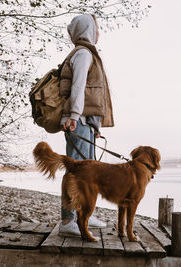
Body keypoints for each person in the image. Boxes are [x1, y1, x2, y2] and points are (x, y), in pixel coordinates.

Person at [58, 14, 114, 236]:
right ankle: (68, 221)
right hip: (76, 121)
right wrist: (73, 115)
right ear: (88, 30)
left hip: (84, 122)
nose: (99, 32)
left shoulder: (86, 53)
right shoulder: (82, 54)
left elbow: (90, 94)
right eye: (96, 28)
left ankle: (84, 215)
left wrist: (95, 126)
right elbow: (79, 87)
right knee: (76, 173)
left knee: (88, 174)